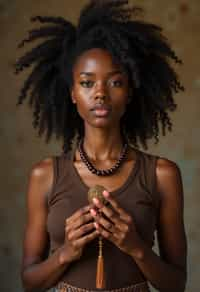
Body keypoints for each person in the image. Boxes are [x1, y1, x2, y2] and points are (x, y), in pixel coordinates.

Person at [14, 1, 187, 291]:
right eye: (86, 82)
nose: (100, 94)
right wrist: (65, 253)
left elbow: (177, 284)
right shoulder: (44, 175)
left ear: (130, 92)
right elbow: (29, 283)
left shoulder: (162, 174)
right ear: (72, 93)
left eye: (115, 82)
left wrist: (137, 248)